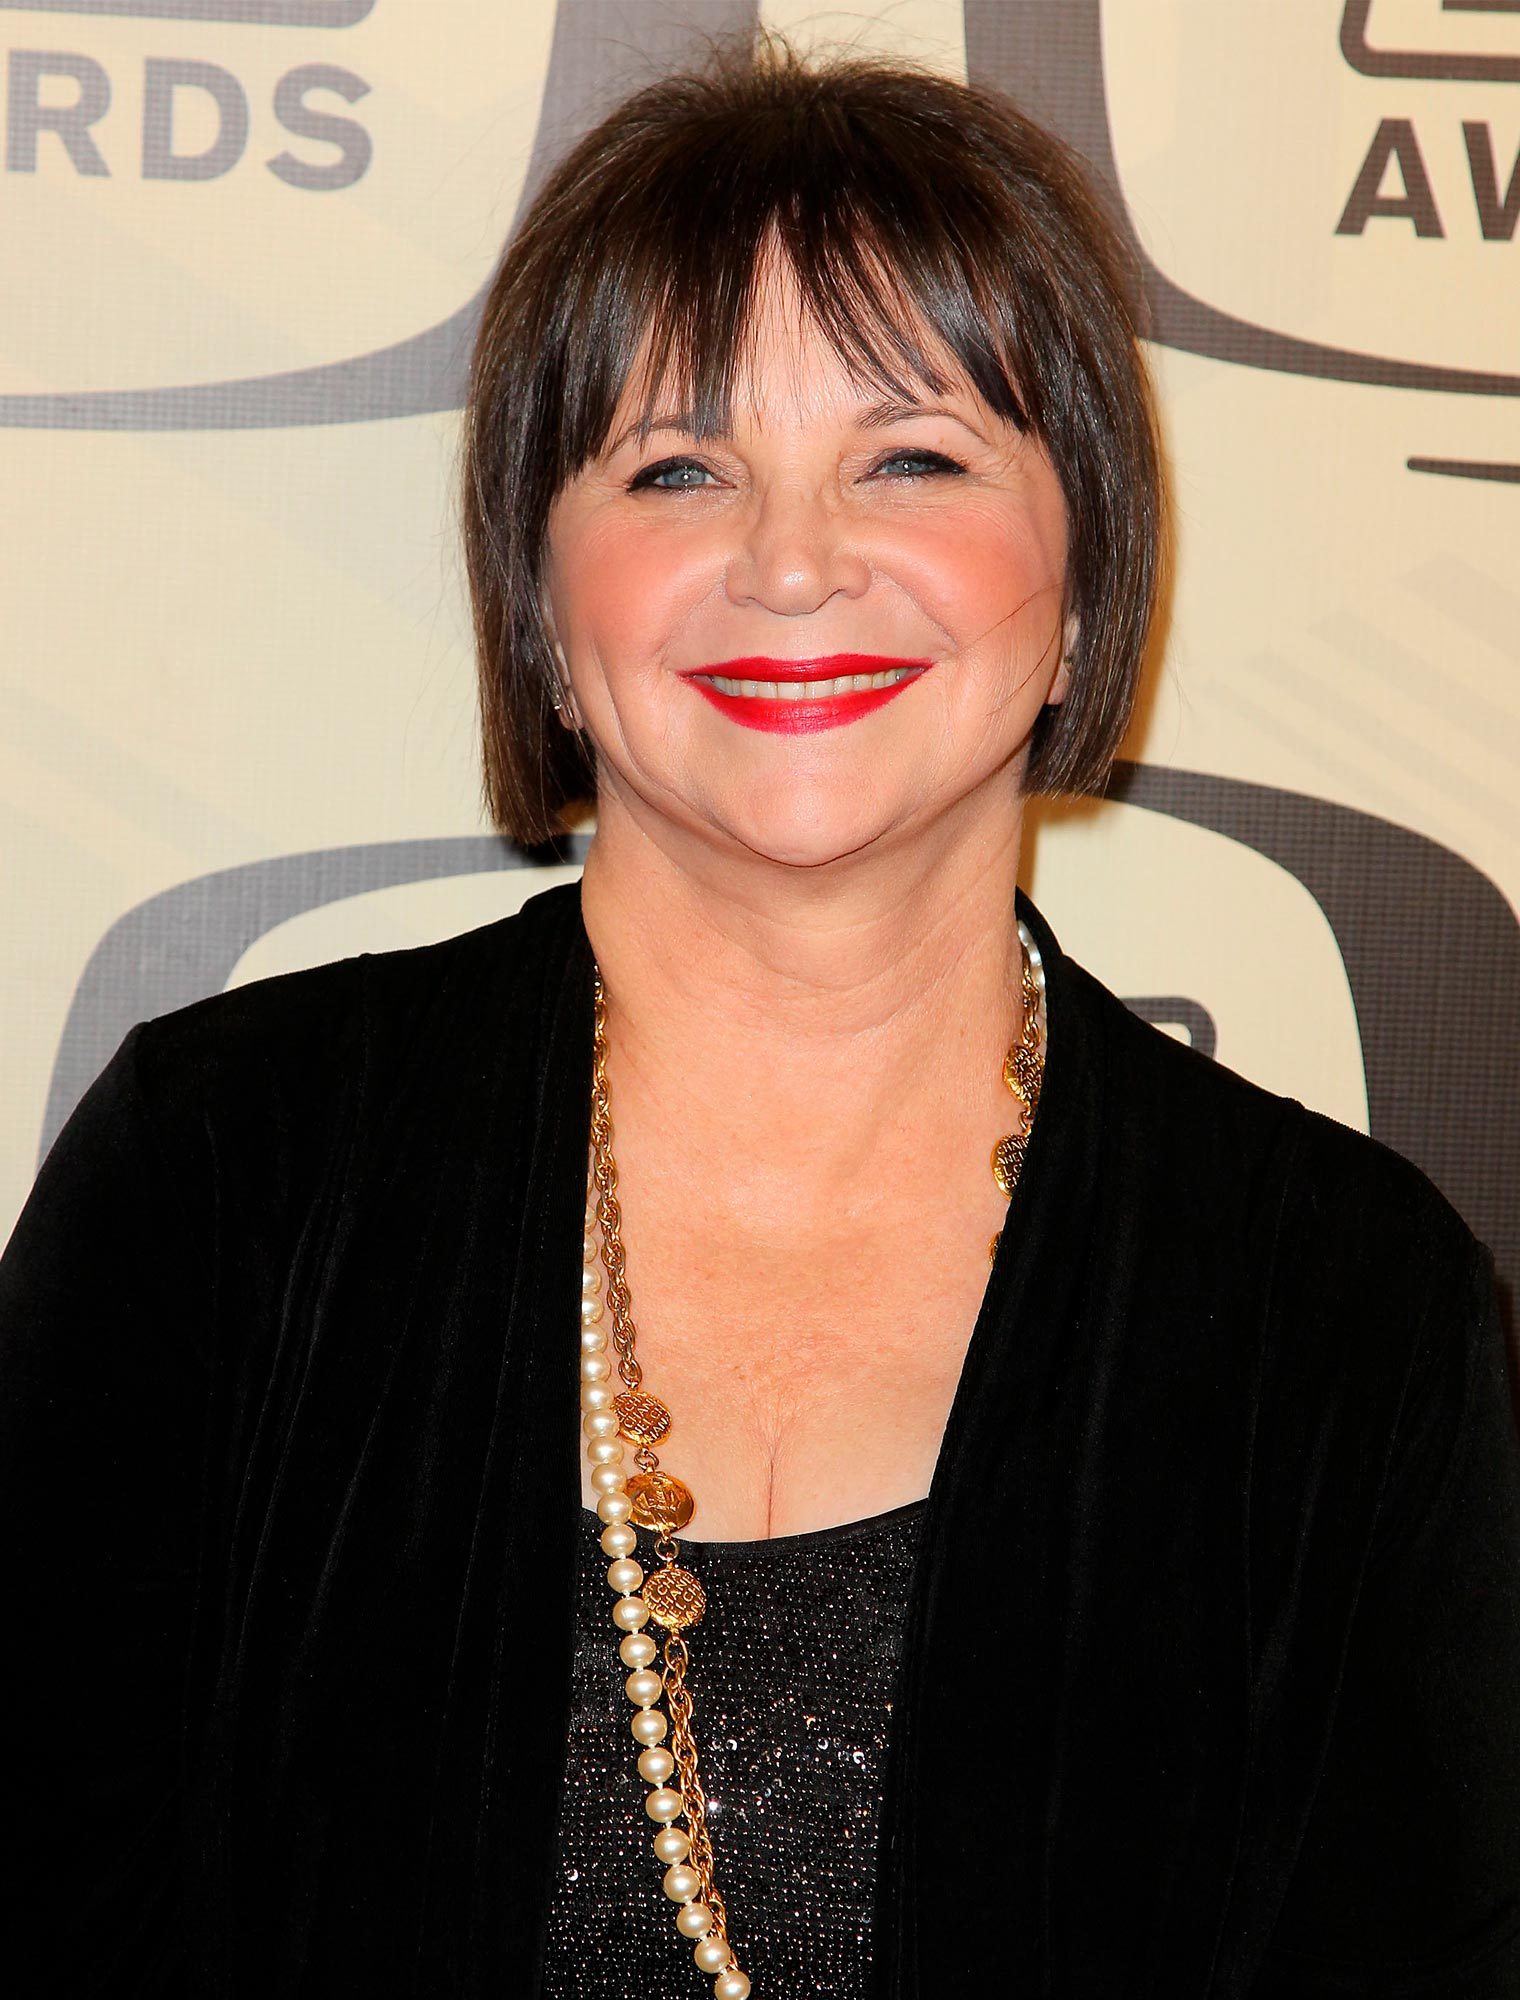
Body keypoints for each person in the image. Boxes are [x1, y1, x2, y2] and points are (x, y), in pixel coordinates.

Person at [3, 31, 1519, 2000]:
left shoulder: (1345, 1309)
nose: (792, 560)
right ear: (546, 609)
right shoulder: (223, 1178)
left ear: (1077, 587)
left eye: (911, 456)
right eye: (677, 467)